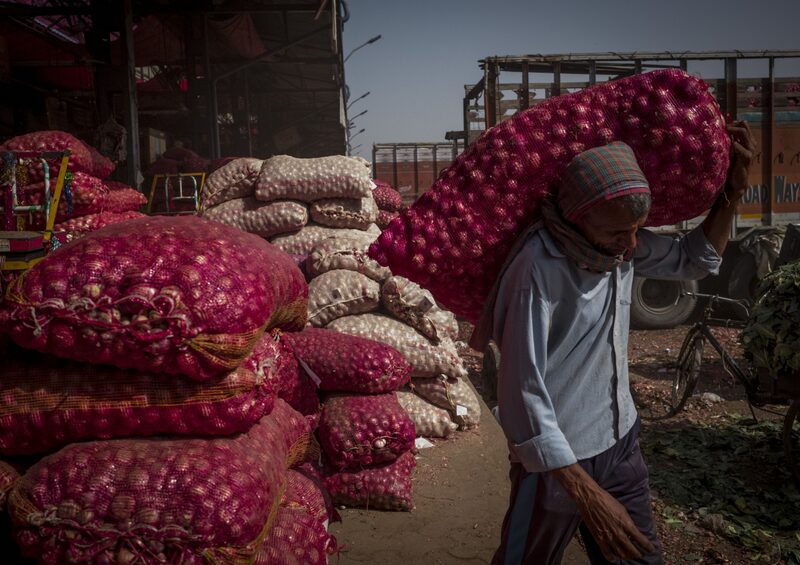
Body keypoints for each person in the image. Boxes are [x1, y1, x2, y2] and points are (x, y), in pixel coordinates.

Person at [471, 122, 755, 565]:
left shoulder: (621, 247)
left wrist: (731, 195)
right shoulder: (536, 269)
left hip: (620, 443)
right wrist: (585, 492)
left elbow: (694, 259)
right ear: (578, 215)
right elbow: (520, 395)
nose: (631, 245)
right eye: (618, 232)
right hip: (554, 466)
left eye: (638, 230)